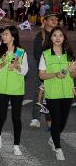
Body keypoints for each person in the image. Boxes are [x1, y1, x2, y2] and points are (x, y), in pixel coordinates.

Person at [38, 27, 76, 161]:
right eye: (55, 35)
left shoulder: (70, 54)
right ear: (51, 38)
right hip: (52, 92)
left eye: (60, 35)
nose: (58, 37)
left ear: (64, 37)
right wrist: (55, 74)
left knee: (63, 121)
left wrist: (72, 70)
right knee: (57, 119)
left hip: (67, 92)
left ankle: (52, 138)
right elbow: (41, 75)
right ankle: (58, 148)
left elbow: (73, 75)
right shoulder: (45, 54)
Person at [0, 26, 28, 156]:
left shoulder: (21, 52)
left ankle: (16, 145)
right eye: (3, 34)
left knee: (16, 117)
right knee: (1, 115)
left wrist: (17, 66)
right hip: (1, 87)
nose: (3, 36)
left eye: (6, 34)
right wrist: (2, 64)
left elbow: (25, 70)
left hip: (16, 89)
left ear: (13, 36)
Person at [30, 11, 59, 128]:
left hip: (56, 70)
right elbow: (37, 54)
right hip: (43, 70)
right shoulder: (41, 35)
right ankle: (36, 118)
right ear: (45, 21)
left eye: (56, 19)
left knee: (52, 95)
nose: (54, 21)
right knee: (39, 93)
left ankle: (50, 120)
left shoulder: (59, 35)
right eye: (51, 19)